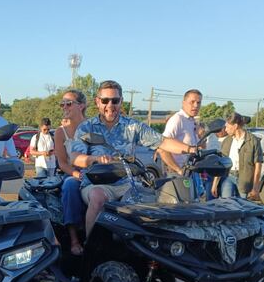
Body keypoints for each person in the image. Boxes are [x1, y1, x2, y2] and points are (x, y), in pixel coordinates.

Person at [70, 80, 186, 236]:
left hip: (128, 183)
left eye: (115, 101)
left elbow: (162, 141)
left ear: (121, 102)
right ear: (98, 102)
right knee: (98, 197)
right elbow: (75, 158)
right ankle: (90, 247)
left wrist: (191, 149)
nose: (110, 105)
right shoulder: (87, 127)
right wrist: (95, 159)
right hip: (96, 183)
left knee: (157, 201)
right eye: (105, 100)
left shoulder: (132, 126)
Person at [54, 90, 88, 255]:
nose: (64, 107)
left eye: (69, 103)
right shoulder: (61, 132)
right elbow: (61, 162)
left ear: (81, 106)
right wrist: (77, 175)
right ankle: (74, 239)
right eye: (63, 104)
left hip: (94, 172)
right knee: (70, 186)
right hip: (72, 173)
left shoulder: (93, 126)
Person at [211, 113, 263, 199]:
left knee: (242, 207)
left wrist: (255, 188)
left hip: (245, 180)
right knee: (226, 205)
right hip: (228, 177)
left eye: (227, 127)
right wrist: (214, 184)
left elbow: (258, 165)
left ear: (235, 126)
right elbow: (221, 163)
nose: (225, 129)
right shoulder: (226, 141)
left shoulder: (253, 140)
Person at [158, 89, 203, 176]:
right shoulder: (178, 119)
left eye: (198, 102)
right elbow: (161, 147)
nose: (196, 105)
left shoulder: (192, 121)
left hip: (191, 172)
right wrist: (178, 170)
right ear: (183, 102)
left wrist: (201, 136)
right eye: (192, 102)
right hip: (178, 175)